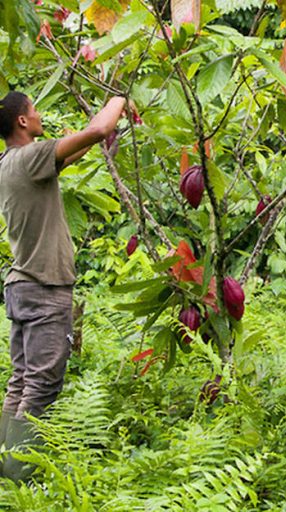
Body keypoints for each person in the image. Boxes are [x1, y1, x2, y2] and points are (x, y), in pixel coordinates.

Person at [0, 91, 127, 480]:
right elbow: (98, 127)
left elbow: (74, 151)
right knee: (41, 385)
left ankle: (6, 465)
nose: (39, 115)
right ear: (22, 121)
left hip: (21, 286)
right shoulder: (29, 157)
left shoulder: (8, 163)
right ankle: (19, 478)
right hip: (45, 287)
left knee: (22, 381)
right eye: (34, 110)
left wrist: (103, 138)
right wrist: (121, 96)